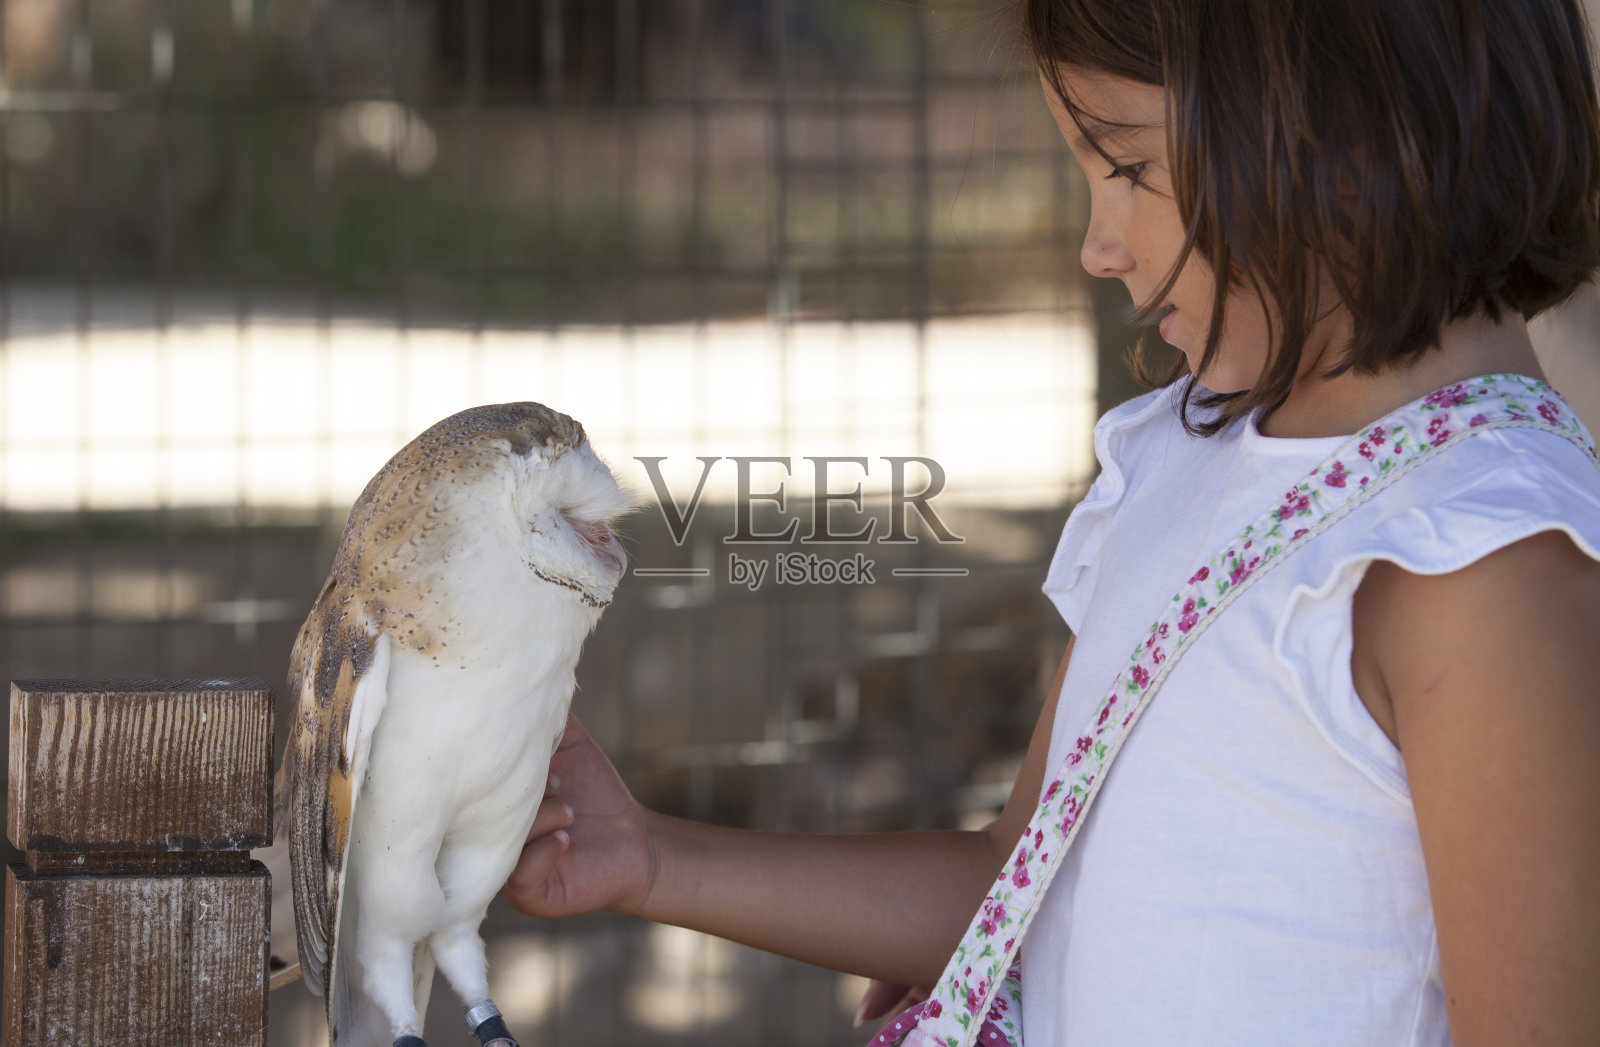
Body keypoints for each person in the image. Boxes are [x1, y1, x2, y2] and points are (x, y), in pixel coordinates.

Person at [504, 1, 1600, 1043]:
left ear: (1349, 121)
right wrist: (646, 858)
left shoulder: (1482, 563)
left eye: (1128, 169)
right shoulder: (1182, 453)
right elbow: (1017, 882)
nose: (1097, 245)